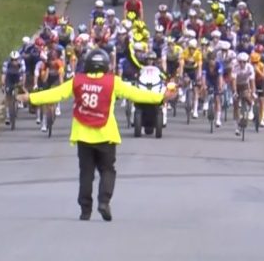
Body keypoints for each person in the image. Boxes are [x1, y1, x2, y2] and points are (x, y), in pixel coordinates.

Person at [17, 49, 176, 221]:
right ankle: (104, 201)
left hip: (83, 135)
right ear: (106, 65)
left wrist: (30, 98)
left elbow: (56, 93)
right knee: (107, 170)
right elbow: (136, 94)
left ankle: (85, 210)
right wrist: (161, 97)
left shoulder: (77, 81)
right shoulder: (113, 82)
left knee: (86, 173)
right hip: (106, 135)